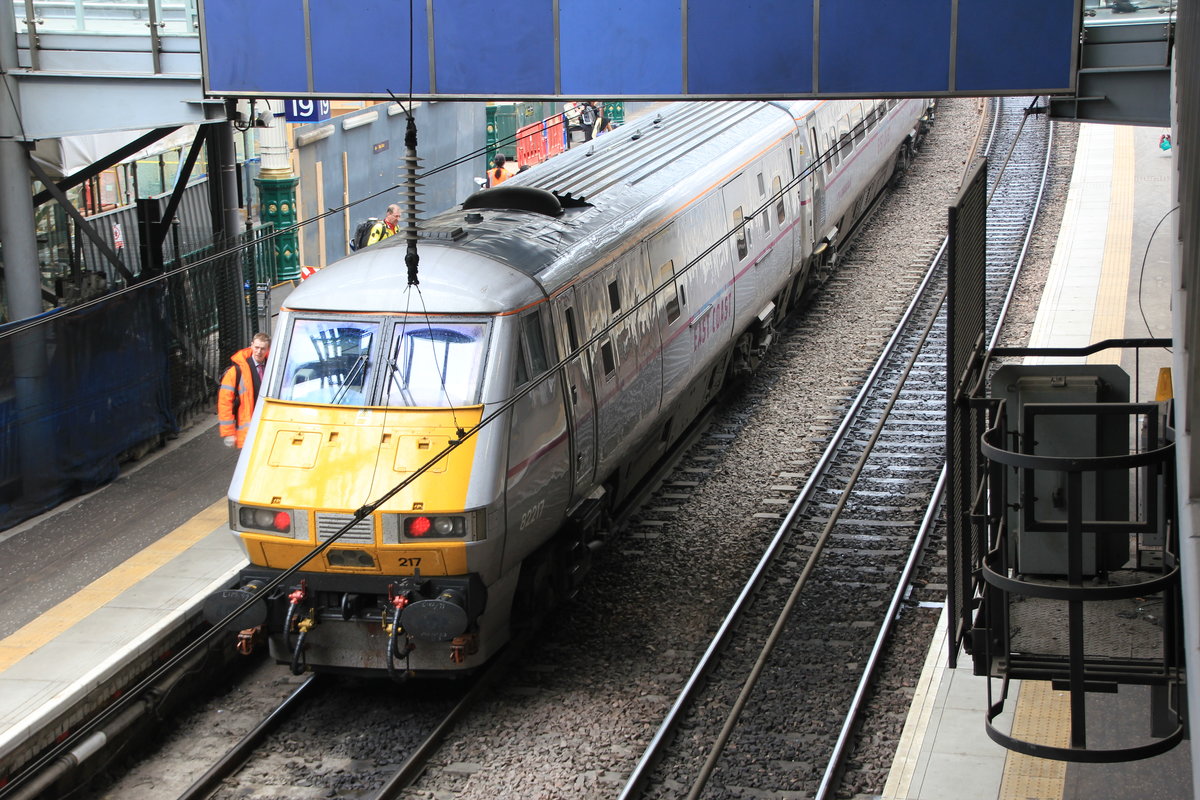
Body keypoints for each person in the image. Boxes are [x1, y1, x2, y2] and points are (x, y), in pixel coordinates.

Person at [218, 332, 270, 449]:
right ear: (251, 346)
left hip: (267, 424)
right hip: (250, 428)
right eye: (256, 347)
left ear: (267, 349)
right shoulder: (236, 371)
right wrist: (229, 433)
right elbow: (225, 402)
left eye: (262, 349)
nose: (258, 352)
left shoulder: (273, 366)